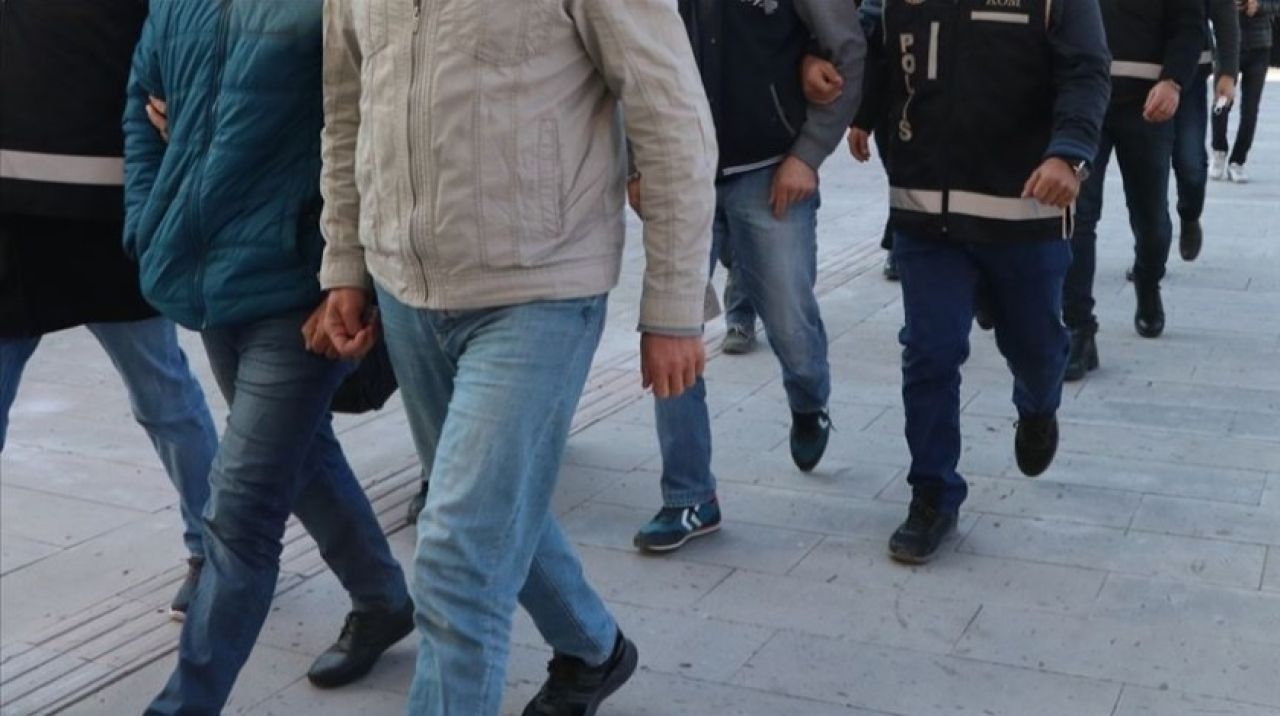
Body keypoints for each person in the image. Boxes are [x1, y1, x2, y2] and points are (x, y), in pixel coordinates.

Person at [318, 0, 717, 713]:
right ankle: (594, 648)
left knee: (456, 551)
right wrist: (346, 260)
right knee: (482, 509)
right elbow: (348, 111)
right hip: (406, 290)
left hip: (541, 290)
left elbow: (671, 115)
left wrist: (674, 306)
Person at [124, 3, 413, 712]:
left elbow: (387, 128)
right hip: (211, 276)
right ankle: (382, 599)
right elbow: (142, 101)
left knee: (241, 512)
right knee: (302, 451)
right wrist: (147, 219)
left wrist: (353, 275)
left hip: (303, 284)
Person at [856, 0, 1111, 563]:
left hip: (1023, 212)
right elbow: (877, 50)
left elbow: (1087, 70)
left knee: (1036, 348)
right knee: (930, 352)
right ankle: (932, 493)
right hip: (926, 213)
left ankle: (1038, 407)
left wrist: (1069, 155)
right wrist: (861, 111)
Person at [0, 0, 218, 619]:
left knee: (163, 396)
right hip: (12, 225)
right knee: (165, 395)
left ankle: (218, 553)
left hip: (112, 223)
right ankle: (218, 551)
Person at [629, 0, 865, 554]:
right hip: (680, 174)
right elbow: (625, 59)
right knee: (671, 328)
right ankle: (689, 495)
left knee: (790, 323)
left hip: (770, 171)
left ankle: (808, 401)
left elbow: (848, 50)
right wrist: (633, 161)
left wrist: (808, 155)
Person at [1062, 0, 1204, 382]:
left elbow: (1190, 26)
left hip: (1147, 107)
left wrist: (1173, 81)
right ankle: (1078, 328)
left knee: (1152, 220)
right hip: (1085, 105)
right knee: (1077, 215)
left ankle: (1147, 277)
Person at [1170, 0, 1240, 261]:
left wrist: (1228, 73)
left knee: (1191, 164)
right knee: (1145, 174)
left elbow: (1225, 13)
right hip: (1142, 76)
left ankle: (1189, 215)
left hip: (1190, 74)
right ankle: (1148, 254)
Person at [1211, 0, 1280, 183]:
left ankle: (1238, 161)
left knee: (1250, 109)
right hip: (1228, 44)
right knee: (1222, 101)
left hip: (1260, 46)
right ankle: (1219, 150)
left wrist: (1259, 6)